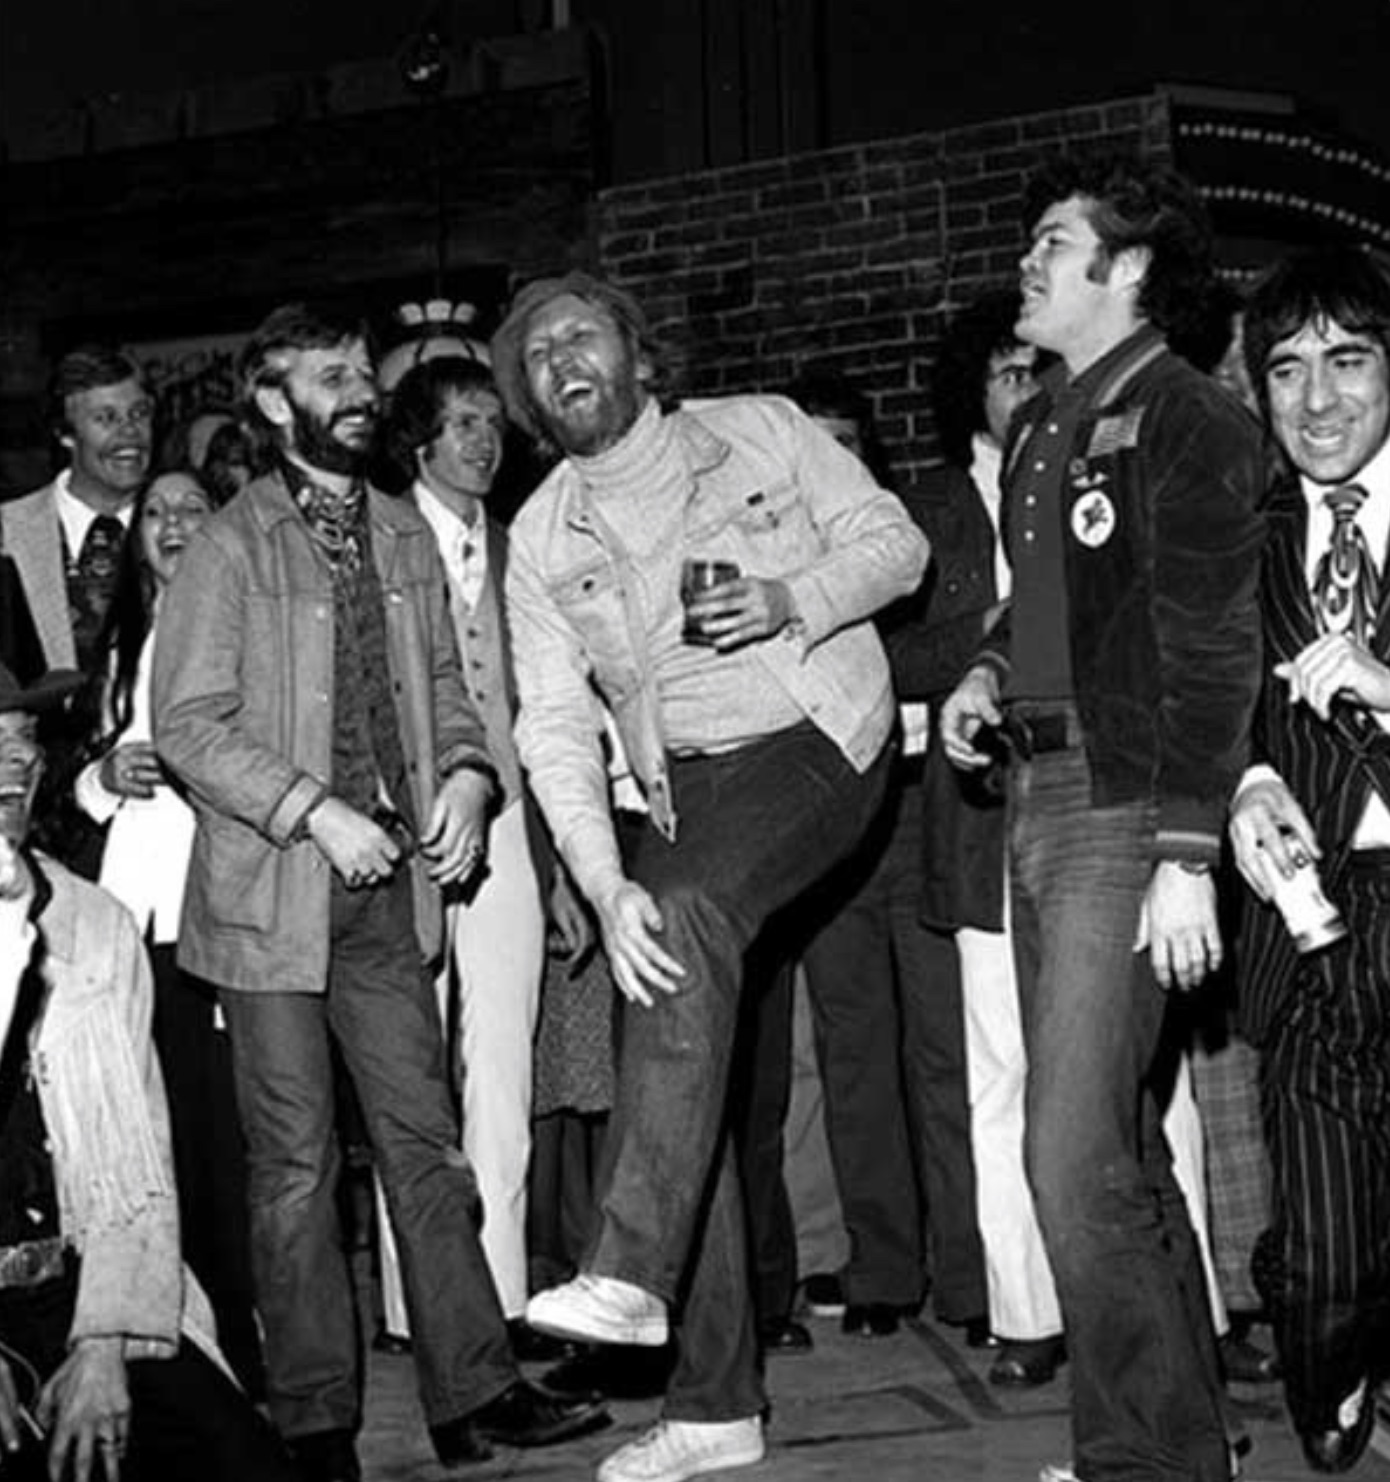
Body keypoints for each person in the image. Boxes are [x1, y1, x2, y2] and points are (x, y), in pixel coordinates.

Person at [152, 303, 606, 1482]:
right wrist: (316, 809)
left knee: (426, 1144)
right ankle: (314, 1424)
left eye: (362, 371)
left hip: (386, 899)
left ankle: (473, 1396)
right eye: (330, 374)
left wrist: (466, 777)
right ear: (269, 400)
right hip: (271, 906)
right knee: (296, 1169)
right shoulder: (230, 545)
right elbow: (188, 725)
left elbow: (453, 692)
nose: (358, 389)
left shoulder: (400, 530)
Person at [493, 270, 928, 1482]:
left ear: (636, 354)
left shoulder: (762, 430)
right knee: (677, 1053)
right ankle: (714, 1407)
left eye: (580, 336)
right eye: (535, 357)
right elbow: (548, 729)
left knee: (681, 924)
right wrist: (599, 876)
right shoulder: (538, 538)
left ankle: (628, 1272)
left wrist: (794, 596)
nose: (559, 360)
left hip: (818, 734)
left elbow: (898, 545)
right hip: (683, 794)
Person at [940, 153, 1265, 1482]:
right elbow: (1044, 608)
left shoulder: (1186, 416)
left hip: (1125, 805)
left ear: (1127, 268)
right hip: (1038, 792)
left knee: (1069, 1154)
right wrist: (982, 670)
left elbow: (1209, 648)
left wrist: (1184, 853)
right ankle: (1174, 1444)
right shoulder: (1045, 422)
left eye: (1053, 239)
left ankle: (1142, 1460)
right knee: (1117, 1146)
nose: (1027, 260)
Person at [0, 607, 297, 1482]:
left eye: (23, 741)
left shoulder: (92, 923)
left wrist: (103, 1345)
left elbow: (139, 1165)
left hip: (87, 1288)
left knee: (237, 1461)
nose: (15, 762)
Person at [1229, 244, 1390, 1471]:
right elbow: (1201, 692)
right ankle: (1328, 1353)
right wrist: (1244, 775)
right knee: (1328, 1248)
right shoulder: (1247, 530)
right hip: (1309, 916)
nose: (1317, 400)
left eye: (1348, 361)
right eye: (1287, 370)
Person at [378, 354, 568, 1359]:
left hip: (505, 829)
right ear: (419, 437)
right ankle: (418, 1308)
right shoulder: (373, 536)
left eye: (493, 423)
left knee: (502, 1061)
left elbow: (542, 711)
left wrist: (553, 855)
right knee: (406, 1072)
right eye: (461, 424)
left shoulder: (519, 545)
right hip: (396, 830)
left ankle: (497, 1300)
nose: (483, 441)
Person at [73, 467, 262, 1394]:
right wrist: (105, 777)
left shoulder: (237, 627)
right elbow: (68, 788)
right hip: (130, 918)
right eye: (157, 511)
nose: (175, 523)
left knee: (222, 1139)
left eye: (195, 508)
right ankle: (184, 1348)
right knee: (157, 1139)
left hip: (214, 910)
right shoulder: (119, 646)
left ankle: (247, 1356)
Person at [909, 289, 1060, 1377]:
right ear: (972, 389)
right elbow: (890, 659)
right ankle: (1025, 1316)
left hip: (1091, 809)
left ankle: (1182, 1317)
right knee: (998, 1074)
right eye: (1008, 373)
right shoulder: (924, 514)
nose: (1028, 390)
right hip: (974, 820)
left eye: (1039, 370)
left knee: (1140, 1081)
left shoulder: (1092, 476)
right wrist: (997, 638)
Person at [1, 345, 154, 873]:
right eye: (106, 418)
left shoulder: (188, 531)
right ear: (66, 434)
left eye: (138, 414)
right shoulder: (7, 532)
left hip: (153, 816)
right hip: (29, 812)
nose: (130, 434)